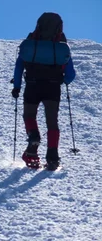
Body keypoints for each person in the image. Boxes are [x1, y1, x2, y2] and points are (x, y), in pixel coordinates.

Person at [11, 12, 76, 170]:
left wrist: (17, 86)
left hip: (33, 85)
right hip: (53, 88)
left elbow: (19, 66)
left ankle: (33, 137)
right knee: (52, 122)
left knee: (29, 115)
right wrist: (63, 80)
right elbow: (70, 74)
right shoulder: (61, 46)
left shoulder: (31, 43)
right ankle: (53, 157)